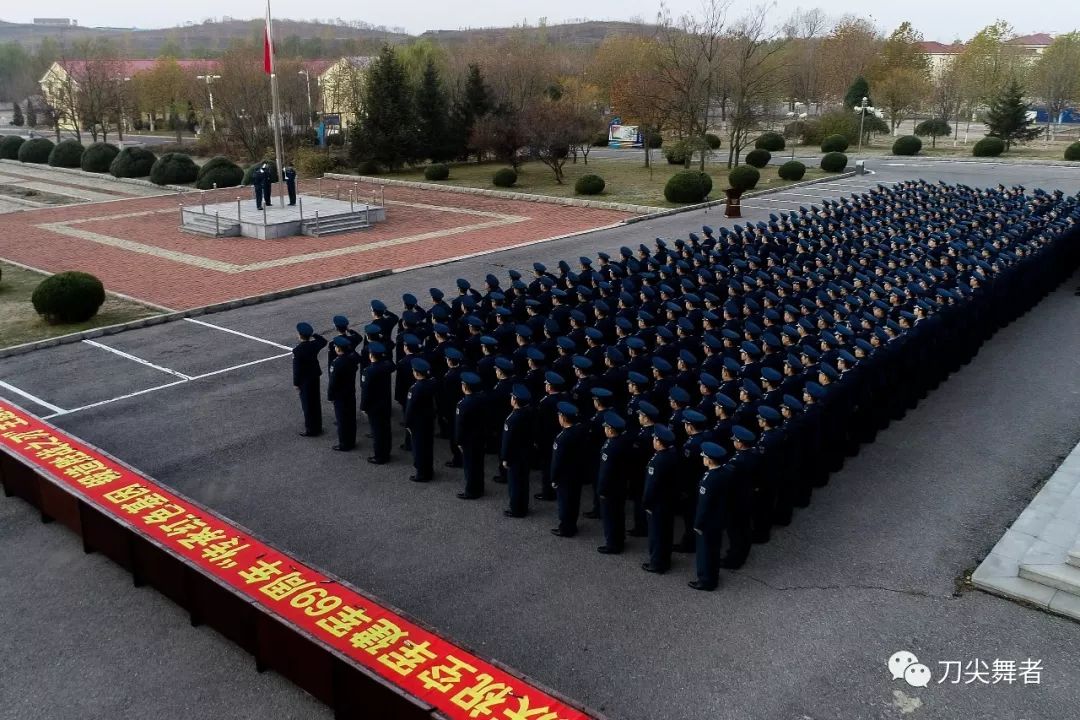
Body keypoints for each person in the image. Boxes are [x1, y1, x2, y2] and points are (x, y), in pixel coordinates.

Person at [691, 441, 735, 591]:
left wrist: (698, 524)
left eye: (704, 457)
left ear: (709, 460)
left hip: (708, 522)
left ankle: (706, 580)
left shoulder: (709, 479)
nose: (703, 459)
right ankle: (713, 575)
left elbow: (703, 506)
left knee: (705, 551)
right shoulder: (725, 472)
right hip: (719, 518)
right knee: (714, 549)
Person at [642, 424, 679, 574]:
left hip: (657, 503)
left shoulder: (657, 461)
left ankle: (657, 563)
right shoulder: (672, 454)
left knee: (656, 534)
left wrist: (646, 503)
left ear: (658, 442)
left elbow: (651, 487)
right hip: (668, 500)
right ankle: (665, 559)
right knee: (666, 531)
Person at [596, 411, 634, 554]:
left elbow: (605, 472)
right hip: (620, 484)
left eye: (606, 427)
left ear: (611, 430)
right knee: (618, 514)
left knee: (610, 517)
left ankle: (612, 544)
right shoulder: (623, 441)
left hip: (610, 488)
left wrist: (601, 490)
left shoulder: (611, 447)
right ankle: (619, 539)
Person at [550, 401, 589, 537]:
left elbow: (557, 462)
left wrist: (554, 478)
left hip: (565, 476)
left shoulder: (562, 438)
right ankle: (572, 524)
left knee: (565, 503)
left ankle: (566, 528)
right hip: (577, 472)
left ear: (563, 418)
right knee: (574, 500)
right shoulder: (580, 430)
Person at [500, 384, 534, 517]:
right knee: (524, 482)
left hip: (514, 456)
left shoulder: (512, 419)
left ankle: (516, 509)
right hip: (526, 453)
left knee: (514, 484)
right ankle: (523, 506)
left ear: (514, 400)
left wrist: (504, 458)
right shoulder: (529, 412)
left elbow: (507, 441)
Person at [360, 342, 394, 464]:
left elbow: (366, 392)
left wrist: (363, 407)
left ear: (371, 355)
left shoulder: (368, 371)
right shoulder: (387, 366)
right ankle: (386, 452)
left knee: (377, 432)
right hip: (385, 403)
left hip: (374, 406)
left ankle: (380, 456)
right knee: (386, 429)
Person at [404, 358, 437, 482]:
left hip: (418, 423)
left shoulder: (415, 388)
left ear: (416, 373)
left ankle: (422, 474)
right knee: (428, 446)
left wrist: (407, 424)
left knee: (419, 448)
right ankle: (428, 470)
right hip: (428, 419)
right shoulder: (432, 382)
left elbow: (410, 409)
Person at [456, 372, 488, 499]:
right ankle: (479, 487)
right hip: (480, 436)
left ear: (465, 387)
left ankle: (471, 491)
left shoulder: (463, 404)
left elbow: (460, 425)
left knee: (469, 466)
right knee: (479, 464)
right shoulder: (482, 398)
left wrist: (458, 441)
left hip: (468, 440)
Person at [292, 321, 326, 437]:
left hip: (305, 380)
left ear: (300, 335)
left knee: (307, 405)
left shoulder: (297, 350)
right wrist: (313, 335)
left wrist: (296, 383)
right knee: (316, 402)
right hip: (315, 376)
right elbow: (323, 341)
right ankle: (318, 426)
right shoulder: (314, 345)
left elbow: (297, 369)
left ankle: (311, 429)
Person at [326, 336, 360, 451]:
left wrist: (330, 396)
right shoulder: (352, 358)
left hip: (340, 395)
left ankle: (345, 444)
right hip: (350, 392)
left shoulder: (337, 363)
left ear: (338, 349)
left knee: (342, 420)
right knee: (351, 418)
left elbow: (333, 382)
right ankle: (351, 440)